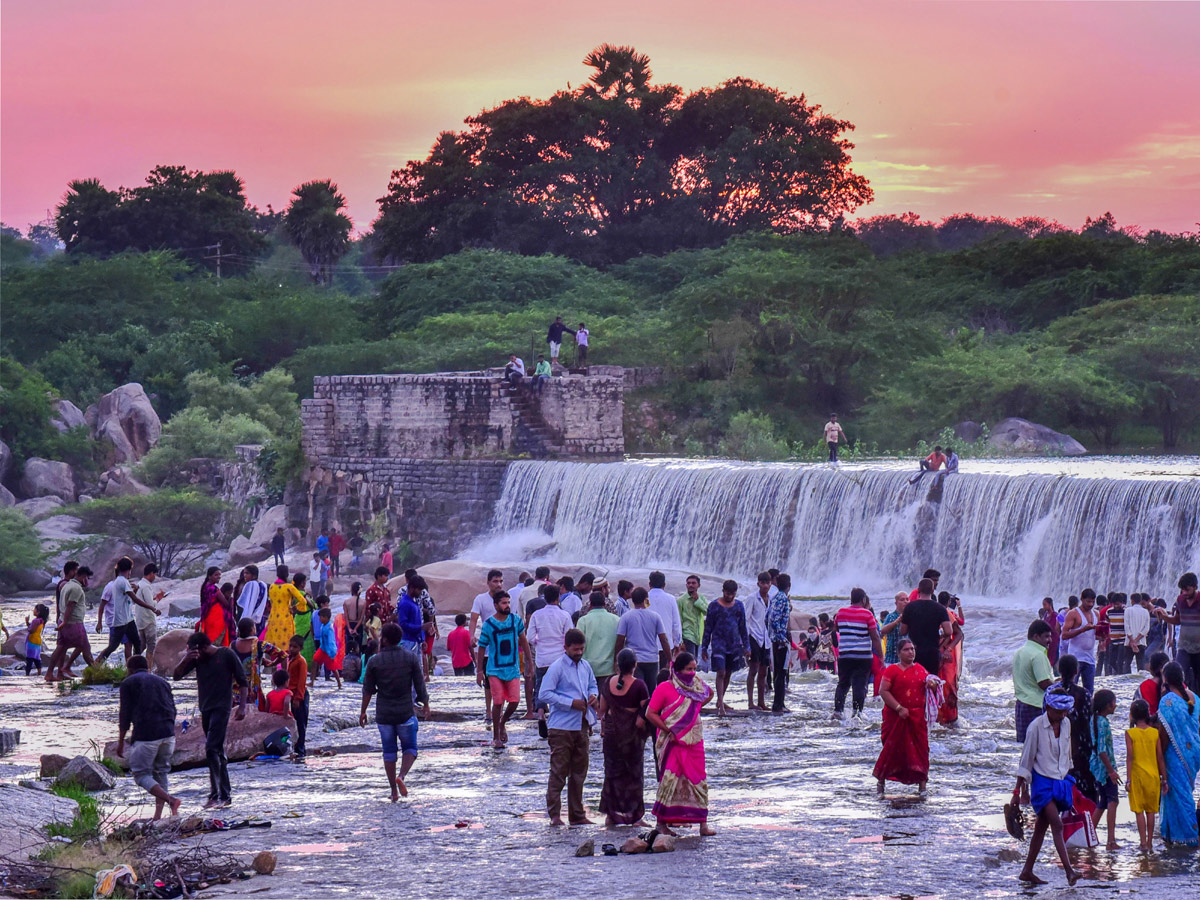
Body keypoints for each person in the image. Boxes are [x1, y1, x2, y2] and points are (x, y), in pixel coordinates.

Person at [1013, 689, 1081, 886]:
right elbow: (1025, 761)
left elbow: (1066, 756)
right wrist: (1018, 792)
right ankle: (1069, 871)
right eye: (1059, 712)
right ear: (1048, 708)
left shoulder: (1066, 724)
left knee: (1041, 828)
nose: (1063, 715)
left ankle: (1027, 871)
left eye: (1065, 711)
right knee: (1057, 825)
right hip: (1042, 783)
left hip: (1060, 781)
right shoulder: (1035, 727)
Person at [644, 652, 716, 836]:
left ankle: (703, 824)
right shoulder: (664, 688)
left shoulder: (696, 686)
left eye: (694, 669)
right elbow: (650, 713)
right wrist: (669, 730)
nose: (692, 673)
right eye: (688, 669)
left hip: (694, 740)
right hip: (673, 742)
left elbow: (710, 694)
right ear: (677, 670)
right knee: (669, 780)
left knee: (698, 778)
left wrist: (695, 708)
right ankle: (661, 824)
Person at [173, 632, 248, 808]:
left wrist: (242, 707)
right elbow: (176, 676)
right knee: (218, 751)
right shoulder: (196, 658)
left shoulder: (226, 654)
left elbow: (243, 681)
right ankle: (225, 795)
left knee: (211, 748)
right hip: (205, 708)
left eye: (194, 651)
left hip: (222, 707)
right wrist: (186, 659)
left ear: (203, 647)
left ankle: (215, 795)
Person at [360, 622, 430, 801]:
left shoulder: (374, 661)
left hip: (384, 715)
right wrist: (426, 704)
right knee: (411, 749)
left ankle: (393, 790)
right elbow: (419, 684)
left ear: (384, 639)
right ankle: (402, 776)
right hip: (405, 712)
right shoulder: (410, 658)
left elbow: (367, 690)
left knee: (389, 753)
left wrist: (363, 712)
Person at [539, 628, 598, 825]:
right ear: (565, 648)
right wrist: (570, 702)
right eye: (575, 649)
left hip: (581, 725)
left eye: (582, 649)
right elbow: (544, 694)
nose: (579, 653)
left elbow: (593, 685)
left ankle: (577, 815)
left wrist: (593, 695)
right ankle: (555, 815)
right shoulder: (556, 667)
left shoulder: (586, 666)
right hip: (561, 727)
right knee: (559, 772)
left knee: (579, 773)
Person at [117, 655, 181, 819]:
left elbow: (124, 715)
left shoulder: (128, 683)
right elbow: (173, 709)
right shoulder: (163, 682)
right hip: (168, 734)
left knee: (141, 775)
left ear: (129, 669)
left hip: (146, 736)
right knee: (161, 773)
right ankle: (158, 816)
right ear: (148, 667)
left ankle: (171, 800)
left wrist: (120, 743)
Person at [598, 648, 649, 827]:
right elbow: (645, 710)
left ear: (617, 665)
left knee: (612, 774)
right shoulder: (639, 686)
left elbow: (601, 710)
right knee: (634, 775)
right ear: (635, 665)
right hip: (631, 738)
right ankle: (635, 817)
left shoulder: (608, 682)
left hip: (611, 737)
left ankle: (611, 816)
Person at [874, 638, 932, 793]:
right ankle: (881, 782)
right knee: (891, 749)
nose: (910, 652)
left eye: (912, 649)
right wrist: (899, 708)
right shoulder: (892, 670)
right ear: (899, 653)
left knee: (921, 750)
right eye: (906, 649)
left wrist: (932, 685)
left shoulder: (921, 669)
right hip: (896, 717)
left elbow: (928, 684)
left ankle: (922, 785)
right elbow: (883, 691)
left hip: (916, 718)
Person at [477, 591, 530, 749]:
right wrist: (479, 671)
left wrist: (530, 662)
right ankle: (496, 737)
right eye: (503, 603)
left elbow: (524, 641)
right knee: (498, 701)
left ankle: (502, 722)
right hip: (494, 669)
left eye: (508, 603)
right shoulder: (489, 625)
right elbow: (481, 647)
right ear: (495, 605)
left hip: (512, 668)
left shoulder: (516, 621)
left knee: (514, 701)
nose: (507, 606)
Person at [1157, 661, 1200, 846]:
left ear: (1166, 679)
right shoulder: (1195, 698)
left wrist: (1159, 758)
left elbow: (1164, 735)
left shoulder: (1167, 701)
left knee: (1179, 795)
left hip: (1174, 755)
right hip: (1193, 754)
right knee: (1184, 792)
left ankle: (1189, 837)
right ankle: (1172, 835)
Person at [833, 588, 883, 719]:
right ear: (864, 600)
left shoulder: (841, 612)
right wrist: (881, 656)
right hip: (863, 656)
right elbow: (875, 637)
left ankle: (838, 711)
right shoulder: (867, 614)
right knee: (860, 684)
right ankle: (857, 713)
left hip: (845, 655)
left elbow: (837, 628)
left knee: (843, 683)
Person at [700, 580, 749, 716]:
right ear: (723, 591)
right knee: (720, 672)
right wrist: (704, 647)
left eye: (732, 594)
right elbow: (708, 628)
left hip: (733, 644)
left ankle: (721, 699)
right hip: (718, 644)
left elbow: (742, 627)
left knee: (728, 672)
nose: (730, 597)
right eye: (727, 594)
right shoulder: (714, 606)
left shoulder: (739, 606)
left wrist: (747, 646)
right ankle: (720, 704)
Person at [1125, 698, 1166, 851]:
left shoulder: (1130, 733)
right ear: (1148, 714)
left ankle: (1142, 843)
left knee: (1139, 811)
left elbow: (1130, 757)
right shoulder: (1154, 733)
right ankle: (1149, 842)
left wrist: (1128, 779)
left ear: (1133, 715)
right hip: (1153, 777)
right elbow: (1160, 757)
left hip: (1137, 776)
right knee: (1151, 811)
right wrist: (1165, 779)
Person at [529, 585, 573, 728]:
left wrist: (538, 643)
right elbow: (569, 636)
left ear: (544, 598)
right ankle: (558, 717)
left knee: (541, 686)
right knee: (560, 687)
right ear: (558, 597)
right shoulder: (564, 615)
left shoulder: (537, 615)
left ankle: (541, 713)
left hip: (542, 658)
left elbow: (530, 637)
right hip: (559, 658)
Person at [45, 565, 95, 681]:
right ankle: (98, 674)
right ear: (83, 576)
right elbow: (70, 605)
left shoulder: (67, 585)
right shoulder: (76, 588)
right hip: (73, 623)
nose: (87, 581)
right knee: (85, 648)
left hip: (65, 621)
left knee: (61, 648)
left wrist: (62, 622)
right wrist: (66, 622)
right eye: (87, 578)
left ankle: (50, 673)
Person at [97, 556, 151, 663]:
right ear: (128, 569)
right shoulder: (113, 585)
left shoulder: (122, 582)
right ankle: (97, 664)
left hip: (126, 618)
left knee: (130, 643)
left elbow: (128, 600)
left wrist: (134, 590)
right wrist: (99, 622)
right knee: (115, 646)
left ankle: (131, 666)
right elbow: (102, 605)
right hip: (116, 620)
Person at [614, 587, 670, 688]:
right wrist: (670, 660)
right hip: (652, 659)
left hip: (634, 661)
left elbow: (620, 641)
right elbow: (664, 640)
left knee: (637, 690)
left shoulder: (626, 617)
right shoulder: (655, 616)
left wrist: (617, 661)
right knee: (651, 691)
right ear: (646, 599)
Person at [1087, 689, 1120, 850]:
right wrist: (1111, 771)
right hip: (1104, 768)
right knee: (1113, 801)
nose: (1115, 705)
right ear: (1107, 705)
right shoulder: (1103, 723)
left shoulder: (1094, 719)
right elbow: (1102, 750)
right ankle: (1111, 841)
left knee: (1103, 802)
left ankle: (1089, 836)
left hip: (1096, 766)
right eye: (1114, 702)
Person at [1155, 572, 1200, 690]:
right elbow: (1178, 620)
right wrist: (1164, 617)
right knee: (1176, 674)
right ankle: (1176, 701)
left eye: (1187, 590)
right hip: (1184, 646)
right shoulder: (1180, 600)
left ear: (1195, 587)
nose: (1184, 593)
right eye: (1182, 590)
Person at [470, 569, 505, 721]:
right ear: (488, 582)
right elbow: (473, 619)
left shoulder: (505, 598)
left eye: (500, 581)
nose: (498, 584)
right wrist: (471, 635)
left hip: (503, 645)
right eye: (495, 581)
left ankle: (500, 709)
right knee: (489, 679)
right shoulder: (481, 599)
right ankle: (489, 711)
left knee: (503, 678)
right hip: (487, 645)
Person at [1013, 620, 1055, 742]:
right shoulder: (1038, 655)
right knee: (1040, 747)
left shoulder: (1019, 652)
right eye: (1046, 636)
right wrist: (1060, 690)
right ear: (1036, 636)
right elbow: (1043, 683)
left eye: (1050, 636)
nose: (1050, 640)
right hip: (1036, 706)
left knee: (1025, 747)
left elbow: (1029, 678)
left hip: (1021, 705)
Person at [899, 578, 951, 675]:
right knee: (931, 681)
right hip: (933, 651)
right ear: (932, 591)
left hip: (914, 651)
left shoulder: (910, 607)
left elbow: (903, 631)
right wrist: (941, 635)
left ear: (918, 590)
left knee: (915, 681)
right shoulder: (939, 608)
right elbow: (948, 631)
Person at [1061, 588, 1099, 698]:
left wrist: (1102, 637)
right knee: (1070, 688)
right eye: (1088, 601)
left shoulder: (1096, 614)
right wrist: (1082, 630)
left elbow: (1093, 635)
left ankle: (1086, 713)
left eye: (1093, 602)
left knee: (1089, 691)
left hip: (1090, 658)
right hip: (1075, 658)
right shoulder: (1073, 614)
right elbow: (1064, 635)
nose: (1090, 604)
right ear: (1082, 599)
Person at [744, 572, 773, 712]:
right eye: (763, 583)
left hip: (766, 639)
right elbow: (745, 620)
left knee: (764, 672)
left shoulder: (771, 599)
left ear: (770, 584)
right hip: (754, 637)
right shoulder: (752, 598)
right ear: (758, 584)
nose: (765, 585)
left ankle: (761, 702)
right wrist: (746, 642)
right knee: (753, 669)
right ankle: (750, 702)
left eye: (768, 583)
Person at [936, 591, 964, 725]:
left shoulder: (946, 614)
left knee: (948, 687)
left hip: (947, 658)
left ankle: (950, 719)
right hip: (934, 655)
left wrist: (949, 648)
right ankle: (937, 719)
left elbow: (959, 633)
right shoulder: (933, 612)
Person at [578, 592, 620, 678]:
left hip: (588, 669)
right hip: (609, 669)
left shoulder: (583, 621)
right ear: (604, 604)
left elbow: (578, 643)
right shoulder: (617, 620)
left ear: (590, 605)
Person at [767, 574, 793, 713]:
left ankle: (778, 704)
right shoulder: (783, 598)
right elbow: (774, 619)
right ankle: (779, 705)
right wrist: (781, 636)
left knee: (778, 672)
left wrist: (771, 634)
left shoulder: (775, 597)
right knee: (781, 672)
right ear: (789, 585)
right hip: (781, 641)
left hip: (774, 639)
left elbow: (768, 617)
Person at [132, 563, 166, 661]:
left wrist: (156, 598)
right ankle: (148, 669)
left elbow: (144, 601)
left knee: (141, 646)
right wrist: (159, 599)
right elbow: (151, 605)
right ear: (151, 573)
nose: (154, 577)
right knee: (151, 646)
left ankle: (133, 665)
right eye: (155, 574)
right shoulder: (146, 586)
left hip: (140, 619)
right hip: (148, 620)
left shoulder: (139, 584)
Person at [196, 567, 235, 648]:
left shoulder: (204, 587)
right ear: (209, 576)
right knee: (217, 645)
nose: (219, 577)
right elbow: (226, 603)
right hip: (217, 618)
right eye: (216, 575)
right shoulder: (214, 589)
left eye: (220, 575)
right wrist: (231, 600)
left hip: (208, 617)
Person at [264, 566, 300, 650]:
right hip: (285, 617)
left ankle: (273, 663)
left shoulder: (271, 587)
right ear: (287, 574)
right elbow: (303, 601)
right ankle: (285, 663)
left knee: (273, 643)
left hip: (273, 617)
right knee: (286, 646)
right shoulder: (289, 587)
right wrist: (294, 608)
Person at [646, 571, 683, 652]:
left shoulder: (645, 599)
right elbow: (676, 623)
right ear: (664, 584)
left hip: (647, 646)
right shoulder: (671, 599)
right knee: (669, 664)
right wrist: (677, 642)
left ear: (649, 584)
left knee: (649, 665)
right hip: (667, 646)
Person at [286, 634, 309, 758]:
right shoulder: (291, 659)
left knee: (300, 723)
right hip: (292, 694)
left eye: (294, 647)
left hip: (299, 695)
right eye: (290, 646)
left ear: (300, 648)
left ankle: (300, 750)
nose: (291, 649)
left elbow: (302, 681)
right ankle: (297, 748)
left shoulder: (301, 661)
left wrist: (298, 698)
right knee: (294, 722)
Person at [311, 608, 343, 689]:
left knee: (333, 668)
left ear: (325, 617)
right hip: (322, 649)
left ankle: (339, 683)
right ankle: (312, 681)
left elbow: (331, 641)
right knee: (314, 661)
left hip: (329, 651)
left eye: (321, 617)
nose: (319, 619)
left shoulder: (329, 628)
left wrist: (332, 653)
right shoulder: (323, 626)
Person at [677, 575, 707, 657]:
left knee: (694, 661)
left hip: (698, 635)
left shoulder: (701, 598)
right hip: (687, 635)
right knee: (691, 660)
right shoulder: (681, 600)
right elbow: (678, 620)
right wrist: (680, 641)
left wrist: (698, 600)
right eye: (688, 583)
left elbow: (708, 612)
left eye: (693, 583)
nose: (691, 585)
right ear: (686, 585)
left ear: (698, 585)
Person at [235, 565, 268, 635]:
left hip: (249, 621)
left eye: (247, 573)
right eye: (244, 573)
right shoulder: (263, 584)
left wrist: (241, 624)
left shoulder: (251, 584)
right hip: (259, 618)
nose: (245, 575)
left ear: (254, 575)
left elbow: (248, 605)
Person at [291, 573, 314, 666]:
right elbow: (312, 606)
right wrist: (306, 595)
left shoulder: (294, 592)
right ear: (301, 583)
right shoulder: (301, 594)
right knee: (306, 645)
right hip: (305, 622)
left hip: (298, 621)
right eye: (304, 581)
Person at [1138, 651, 1170, 716]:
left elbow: (1136, 710)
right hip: (1171, 724)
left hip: (1149, 724)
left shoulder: (1145, 686)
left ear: (1151, 668)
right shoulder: (1178, 685)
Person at [880, 592, 907, 665]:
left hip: (907, 660)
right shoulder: (891, 616)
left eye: (907, 599)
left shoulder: (911, 616)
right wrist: (896, 622)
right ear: (896, 603)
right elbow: (882, 631)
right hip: (892, 659)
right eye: (902, 599)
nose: (905, 601)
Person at [24, 603, 49, 676]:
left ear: (38, 612)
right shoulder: (41, 620)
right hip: (38, 642)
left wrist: (28, 628)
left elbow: (32, 630)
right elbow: (34, 628)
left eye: (34, 609)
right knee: (37, 658)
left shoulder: (36, 620)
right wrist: (27, 623)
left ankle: (27, 674)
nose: (33, 610)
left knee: (29, 658)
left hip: (32, 641)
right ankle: (39, 672)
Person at [343, 581, 365, 657]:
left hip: (349, 625)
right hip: (359, 627)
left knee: (348, 648)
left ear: (352, 590)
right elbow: (362, 618)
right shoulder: (363, 602)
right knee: (358, 648)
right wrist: (356, 628)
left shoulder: (346, 602)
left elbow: (346, 617)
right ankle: (358, 666)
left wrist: (349, 628)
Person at [1038, 597, 1061, 669]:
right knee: (1048, 661)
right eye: (1043, 605)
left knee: (1055, 661)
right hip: (1048, 643)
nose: (1043, 607)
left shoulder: (1056, 615)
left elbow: (1058, 629)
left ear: (1050, 604)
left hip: (1055, 641)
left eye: (1045, 604)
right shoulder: (1045, 615)